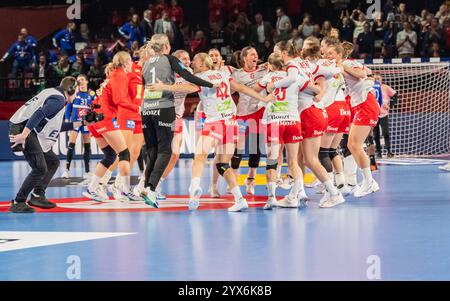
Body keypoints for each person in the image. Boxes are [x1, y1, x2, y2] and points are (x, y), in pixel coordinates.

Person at [148, 52, 273, 212]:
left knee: (199, 157)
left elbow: (188, 88)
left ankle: (194, 191)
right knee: (222, 164)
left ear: (202, 64)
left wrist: (164, 86)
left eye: (194, 61)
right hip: (231, 122)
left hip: (215, 122)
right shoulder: (222, 75)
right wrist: (263, 99)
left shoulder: (201, 77)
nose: (192, 63)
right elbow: (241, 88)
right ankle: (239, 199)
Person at [140, 34, 215, 206]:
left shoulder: (145, 64)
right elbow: (188, 77)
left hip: (146, 108)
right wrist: (209, 84)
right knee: (166, 151)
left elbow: (146, 85)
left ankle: (146, 185)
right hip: (164, 107)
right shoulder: (170, 59)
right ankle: (151, 189)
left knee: (152, 149)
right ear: (166, 46)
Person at [268, 40, 345, 208]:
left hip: (308, 112)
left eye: (276, 52)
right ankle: (296, 194)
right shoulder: (308, 64)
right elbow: (331, 71)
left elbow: (295, 79)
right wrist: (339, 66)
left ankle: (334, 193)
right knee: (300, 158)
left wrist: (272, 85)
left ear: (283, 53)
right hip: (316, 111)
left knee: (310, 159)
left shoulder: (292, 66)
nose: (274, 56)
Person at [8, 77, 78, 213]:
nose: (75, 96)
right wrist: (24, 135)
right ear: (70, 90)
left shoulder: (52, 93)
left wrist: (82, 124)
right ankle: (18, 201)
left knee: (52, 162)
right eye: (75, 93)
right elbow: (39, 114)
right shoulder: (59, 100)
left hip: (24, 127)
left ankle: (37, 195)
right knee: (40, 168)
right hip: (24, 128)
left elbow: (57, 126)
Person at [84, 51, 143, 203]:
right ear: (125, 63)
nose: (132, 64)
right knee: (124, 154)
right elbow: (118, 100)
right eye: (130, 62)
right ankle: (124, 190)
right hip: (105, 118)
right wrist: (136, 108)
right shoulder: (120, 75)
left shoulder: (112, 76)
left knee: (109, 156)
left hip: (94, 120)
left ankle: (92, 188)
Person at [254, 53, 305, 210]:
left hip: (275, 122)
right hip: (292, 121)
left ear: (269, 65)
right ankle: (296, 194)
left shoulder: (268, 77)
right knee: (293, 162)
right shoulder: (295, 76)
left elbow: (255, 89)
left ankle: (272, 198)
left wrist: (266, 75)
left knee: (272, 161)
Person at [341, 43, 380, 198]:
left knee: (355, 145)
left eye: (330, 53)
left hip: (366, 105)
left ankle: (369, 182)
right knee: (352, 144)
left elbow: (364, 74)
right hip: (361, 105)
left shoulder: (345, 64)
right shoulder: (347, 63)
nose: (326, 56)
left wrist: (343, 69)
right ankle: (368, 181)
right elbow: (367, 72)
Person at [231, 46, 267, 196]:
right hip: (242, 114)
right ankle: (233, 181)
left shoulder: (264, 70)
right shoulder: (237, 74)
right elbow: (229, 91)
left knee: (255, 149)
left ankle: (250, 180)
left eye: (256, 54)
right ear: (244, 58)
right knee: (237, 149)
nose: (255, 57)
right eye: (252, 54)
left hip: (259, 111)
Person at [62, 74, 95, 179]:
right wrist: (67, 120)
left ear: (86, 81)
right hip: (75, 122)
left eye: (82, 79)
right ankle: (66, 170)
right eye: (78, 80)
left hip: (86, 122)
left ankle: (87, 171)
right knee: (71, 144)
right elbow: (68, 107)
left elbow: (96, 107)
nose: (80, 81)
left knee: (87, 146)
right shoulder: (75, 92)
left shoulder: (92, 93)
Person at [372, 74, 395, 159]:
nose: (377, 80)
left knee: (386, 133)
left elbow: (395, 95)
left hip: (384, 113)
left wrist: (390, 105)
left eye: (378, 78)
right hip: (374, 114)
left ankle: (389, 152)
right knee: (376, 134)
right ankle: (378, 152)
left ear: (381, 79)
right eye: (375, 78)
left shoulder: (385, 87)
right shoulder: (371, 87)